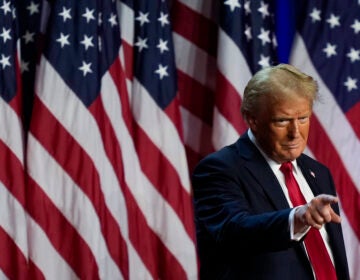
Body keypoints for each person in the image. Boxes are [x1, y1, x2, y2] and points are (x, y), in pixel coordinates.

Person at [192, 64, 350, 279]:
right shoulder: (220, 169)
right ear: (252, 120)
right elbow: (235, 230)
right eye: (282, 121)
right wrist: (298, 217)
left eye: (303, 118)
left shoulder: (318, 172)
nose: (295, 133)